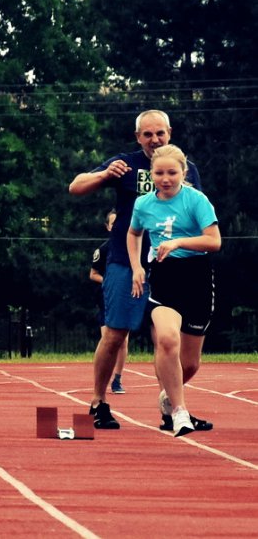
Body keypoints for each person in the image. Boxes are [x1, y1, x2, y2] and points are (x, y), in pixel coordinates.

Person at [68, 109, 207, 430]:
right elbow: (75, 186)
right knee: (115, 334)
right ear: (138, 137)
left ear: (169, 133)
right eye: (147, 134)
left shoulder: (186, 169)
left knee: (171, 344)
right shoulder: (125, 164)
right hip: (124, 262)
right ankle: (98, 402)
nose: (154, 139)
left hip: (170, 267)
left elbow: (198, 212)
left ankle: (172, 407)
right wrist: (104, 175)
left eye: (160, 133)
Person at [127, 144, 220, 437]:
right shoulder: (143, 204)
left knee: (190, 363)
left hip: (197, 276)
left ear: (183, 172)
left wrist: (179, 242)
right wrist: (137, 267)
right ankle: (180, 413)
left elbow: (214, 241)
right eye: (159, 173)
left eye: (171, 172)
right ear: (151, 173)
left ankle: (168, 399)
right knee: (167, 339)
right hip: (165, 276)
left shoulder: (196, 201)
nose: (165, 178)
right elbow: (133, 233)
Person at [89, 210, 128, 394]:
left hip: (125, 298)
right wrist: (110, 280)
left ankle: (118, 379)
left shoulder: (132, 246)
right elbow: (93, 274)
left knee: (124, 341)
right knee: (109, 339)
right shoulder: (103, 250)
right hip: (107, 299)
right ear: (108, 227)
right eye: (113, 223)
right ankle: (100, 380)